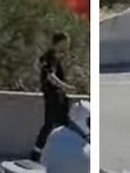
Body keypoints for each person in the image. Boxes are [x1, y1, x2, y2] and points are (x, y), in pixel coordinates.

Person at [31, 32, 73, 162]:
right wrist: (65, 86)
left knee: (57, 123)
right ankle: (37, 152)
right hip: (54, 95)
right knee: (55, 124)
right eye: (66, 42)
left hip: (55, 94)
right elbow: (50, 76)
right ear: (60, 42)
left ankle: (39, 151)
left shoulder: (50, 57)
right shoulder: (51, 57)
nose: (67, 45)